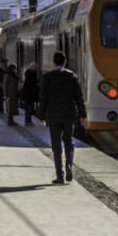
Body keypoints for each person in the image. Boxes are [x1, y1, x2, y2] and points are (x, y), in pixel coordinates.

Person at [39, 51, 87, 185]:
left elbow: (43, 98)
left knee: (56, 145)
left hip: (53, 115)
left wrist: (41, 115)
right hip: (69, 115)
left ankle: (59, 175)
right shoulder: (72, 77)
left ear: (53, 62)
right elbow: (79, 98)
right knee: (69, 142)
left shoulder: (48, 77)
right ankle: (69, 165)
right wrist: (83, 115)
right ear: (65, 62)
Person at [20, 62, 39, 126]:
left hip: (28, 94)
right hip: (29, 95)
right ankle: (28, 121)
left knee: (28, 108)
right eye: (36, 67)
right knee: (29, 108)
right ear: (33, 67)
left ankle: (28, 121)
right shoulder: (31, 74)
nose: (37, 68)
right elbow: (32, 85)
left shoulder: (28, 73)